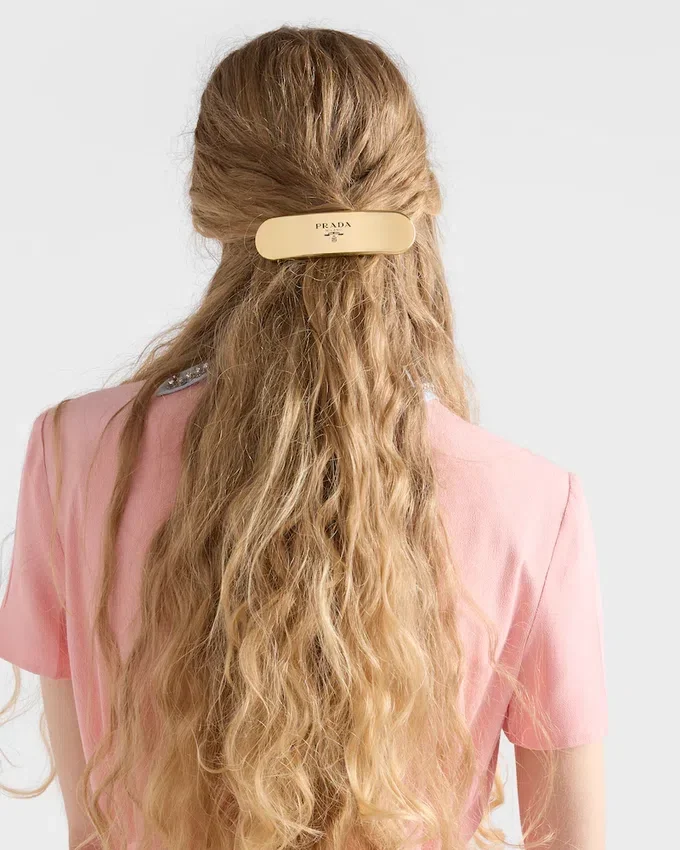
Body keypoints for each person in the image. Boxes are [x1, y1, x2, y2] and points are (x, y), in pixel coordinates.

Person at [0, 25, 607, 850]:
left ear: (211, 208)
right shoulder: (536, 504)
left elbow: (91, 830)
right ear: (414, 206)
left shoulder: (72, 454)